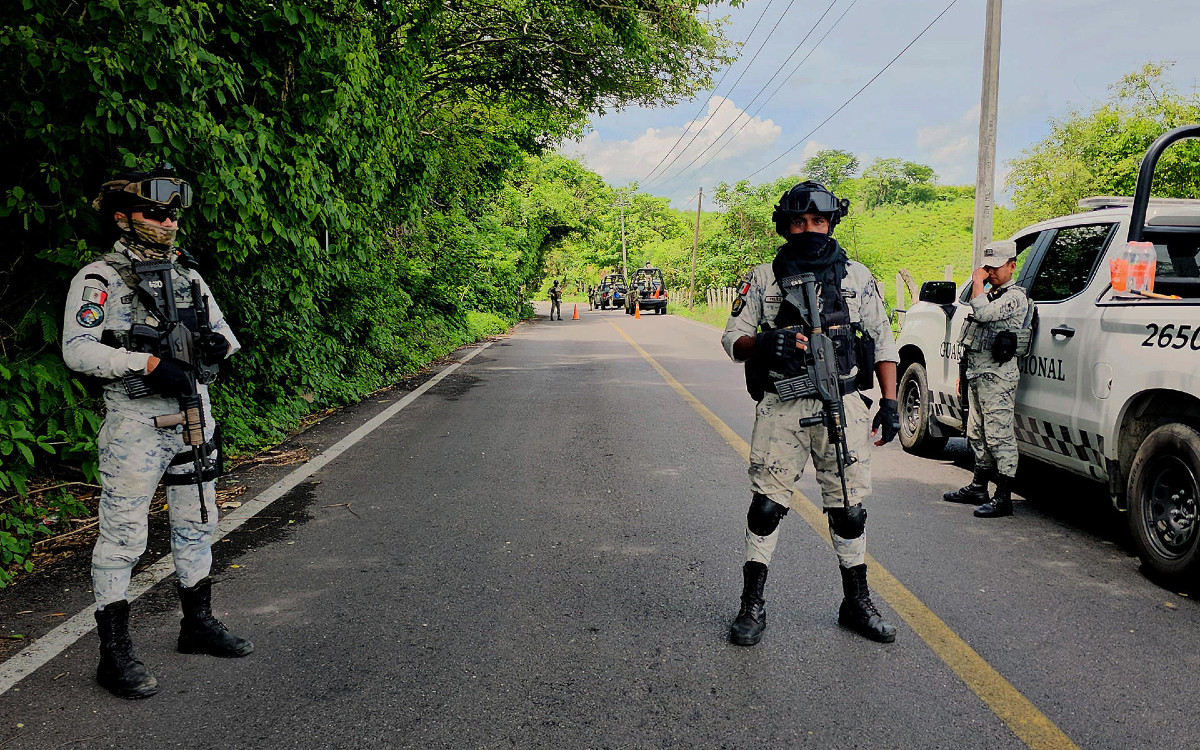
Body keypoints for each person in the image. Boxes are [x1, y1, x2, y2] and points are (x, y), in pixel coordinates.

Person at [62, 163, 253, 699]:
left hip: (193, 414)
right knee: (124, 536)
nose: (167, 223)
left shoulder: (189, 276)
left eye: (172, 215)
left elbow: (224, 335)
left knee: (198, 521)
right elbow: (77, 350)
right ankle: (114, 655)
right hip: (136, 423)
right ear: (123, 218)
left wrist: (216, 347)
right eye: (154, 213)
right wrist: (144, 365)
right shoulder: (98, 278)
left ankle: (196, 624)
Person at [721, 181, 902, 646]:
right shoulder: (763, 277)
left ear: (830, 223)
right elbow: (732, 339)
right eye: (799, 223)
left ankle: (855, 603)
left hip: (843, 404)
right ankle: (751, 606)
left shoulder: (858, 277)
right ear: (785, 226)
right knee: (765, 507)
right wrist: (763, 342)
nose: (809, 230)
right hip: (783, 402)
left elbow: (882, 340)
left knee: (849, 512)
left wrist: (890, 401)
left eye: (817, 222)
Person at [943, 239, 1029, 518]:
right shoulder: (992, 294)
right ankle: (978, 486)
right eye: (986, 268)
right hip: (978, 374)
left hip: (999, 378)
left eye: (995, 268)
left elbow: (982, 312)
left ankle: (1003, 497)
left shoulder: (1014, 297)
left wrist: (977, 281)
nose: (989, 273)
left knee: (999, 436)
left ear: (1012, 266)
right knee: (976, 433)